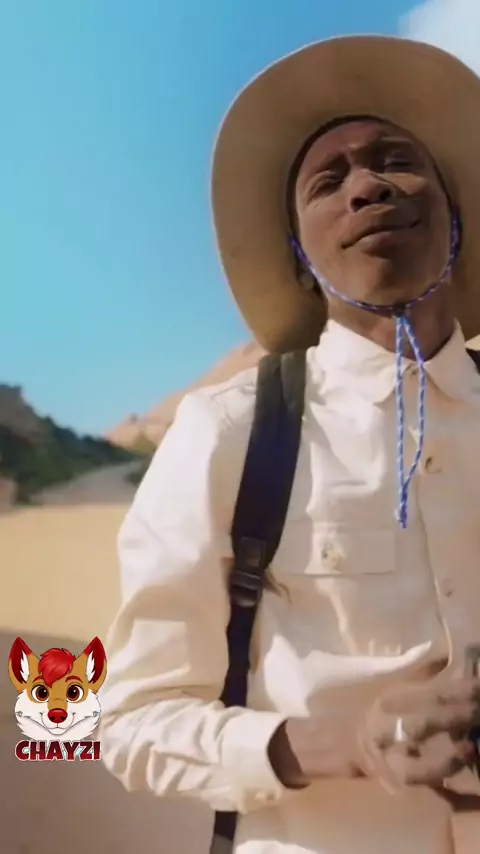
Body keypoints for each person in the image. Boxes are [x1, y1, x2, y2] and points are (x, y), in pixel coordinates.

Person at [100, 35, 480, 854]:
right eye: (328, 181)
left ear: (456, 217)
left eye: (395, 162)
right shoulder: (232, 431)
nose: (368, 186)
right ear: (302, 261)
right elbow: (132, 721)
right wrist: (338, 743)